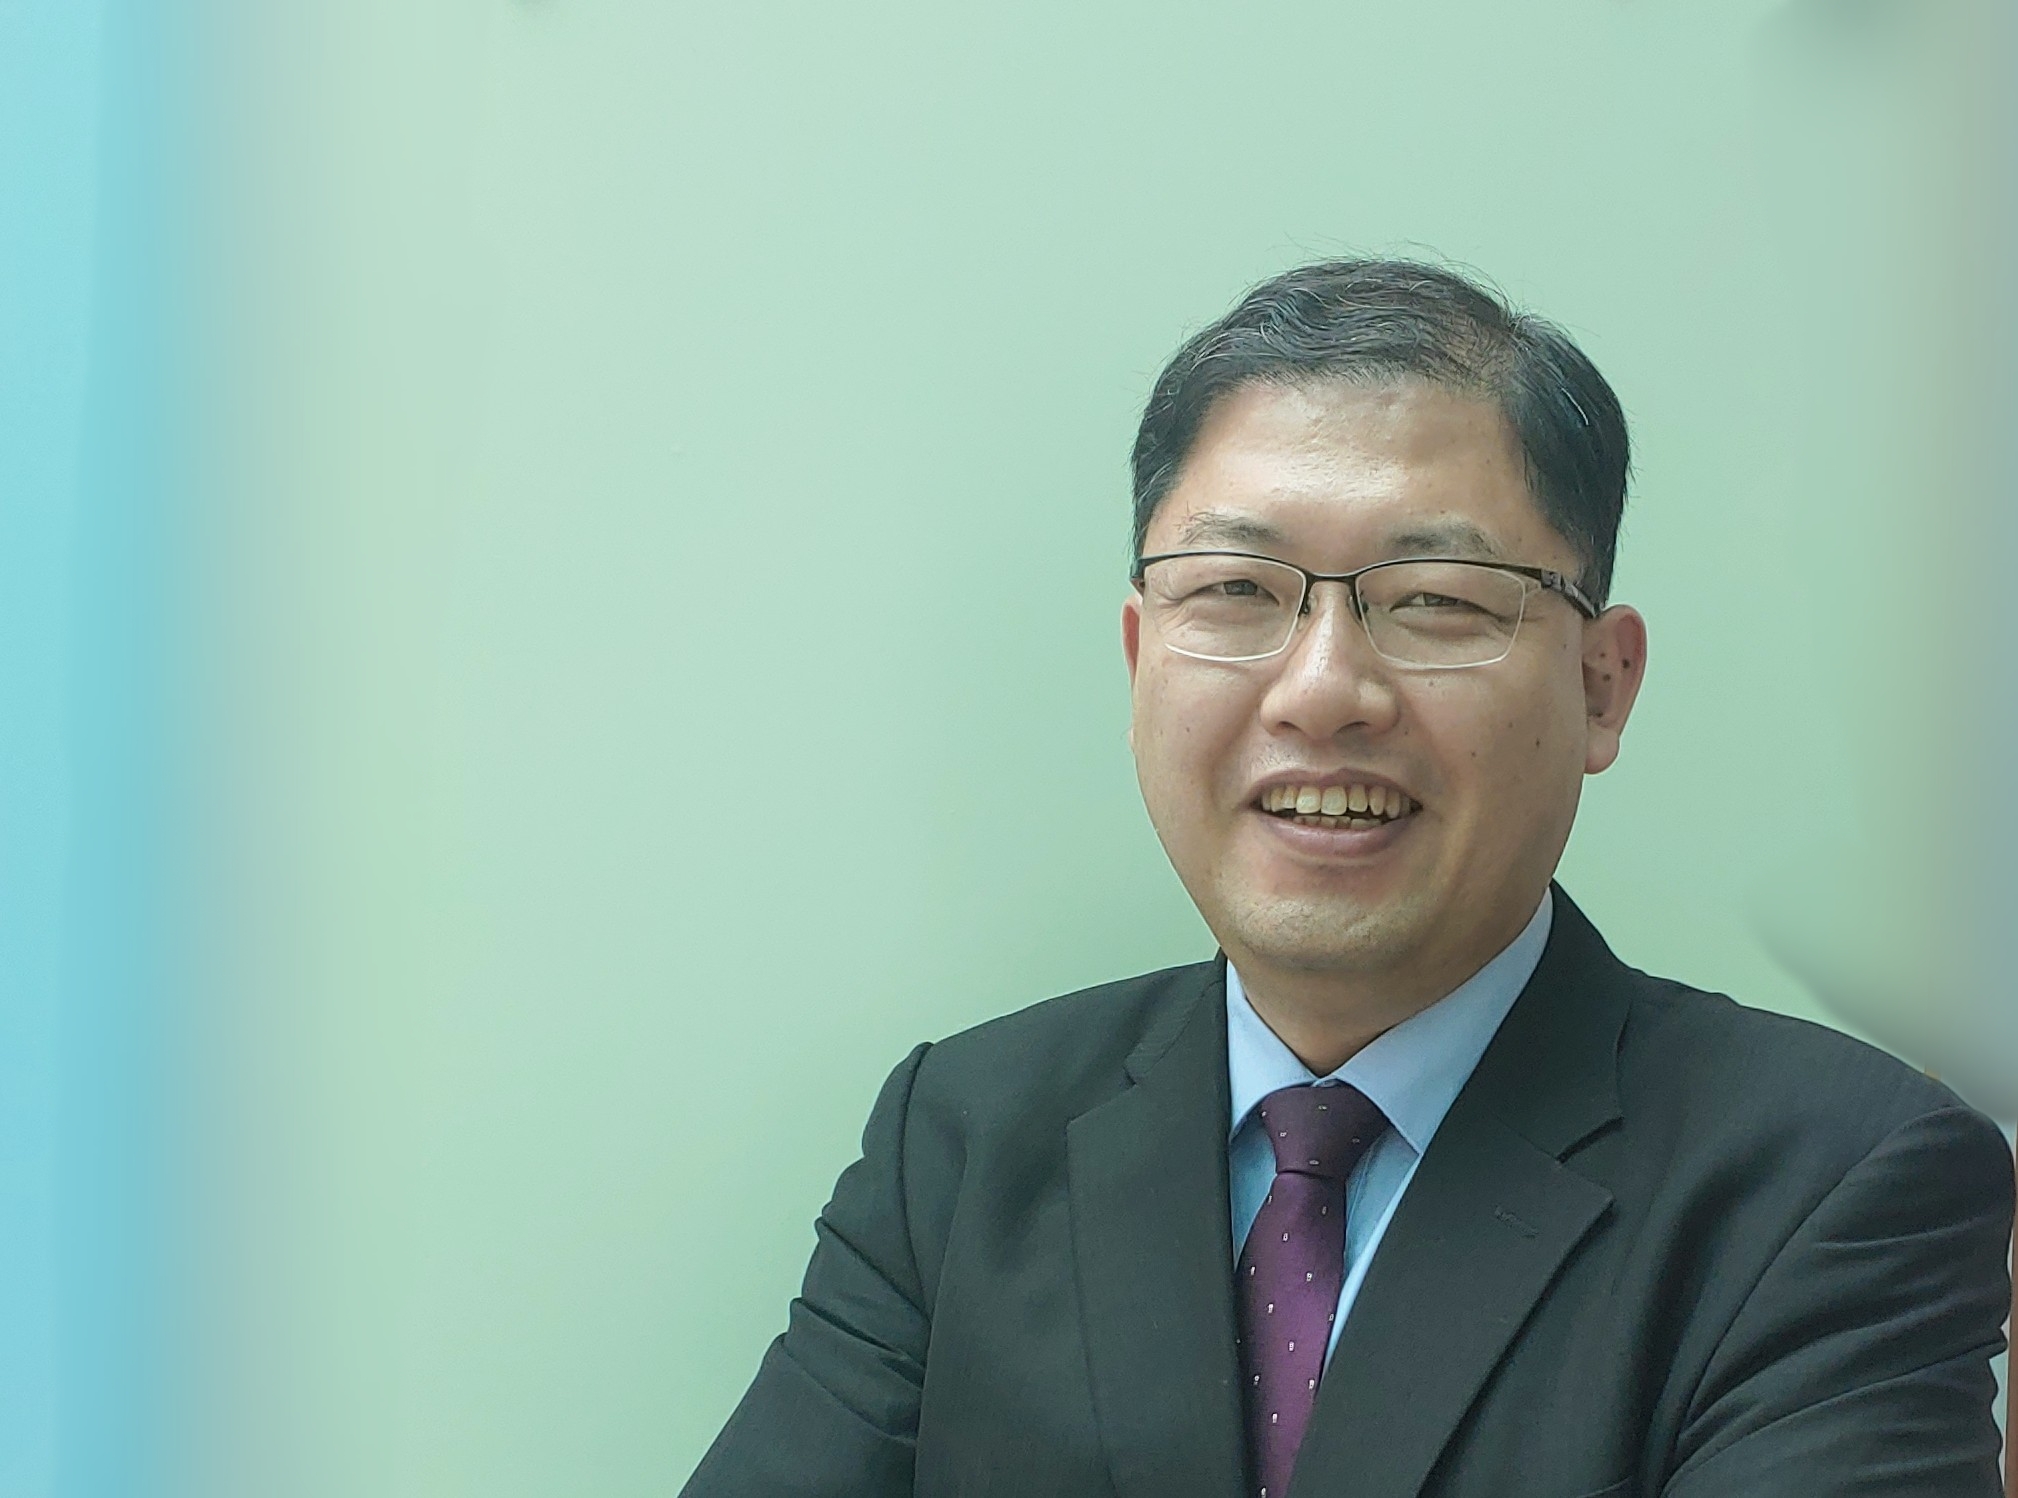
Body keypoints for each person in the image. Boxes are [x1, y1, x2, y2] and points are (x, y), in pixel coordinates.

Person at [680, 260, 2014, 1497]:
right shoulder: (962, 1141)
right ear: (1140, 658)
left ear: (1601, 685)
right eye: (1235, 592)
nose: (1321, 690)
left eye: (1434, 598)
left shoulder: (1834, 1185)